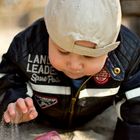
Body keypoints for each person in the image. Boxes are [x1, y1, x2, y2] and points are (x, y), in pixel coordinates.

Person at [0, 0, 140, 139]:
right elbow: (8, 77)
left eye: (88, 56)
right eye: (63, 51)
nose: (74, 65)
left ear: (111, 49)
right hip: (39, 120)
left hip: (96, 120)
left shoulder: (129, 53)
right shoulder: (27, 44)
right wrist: (13, 102)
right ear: (48, 33)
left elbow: (136, 110)